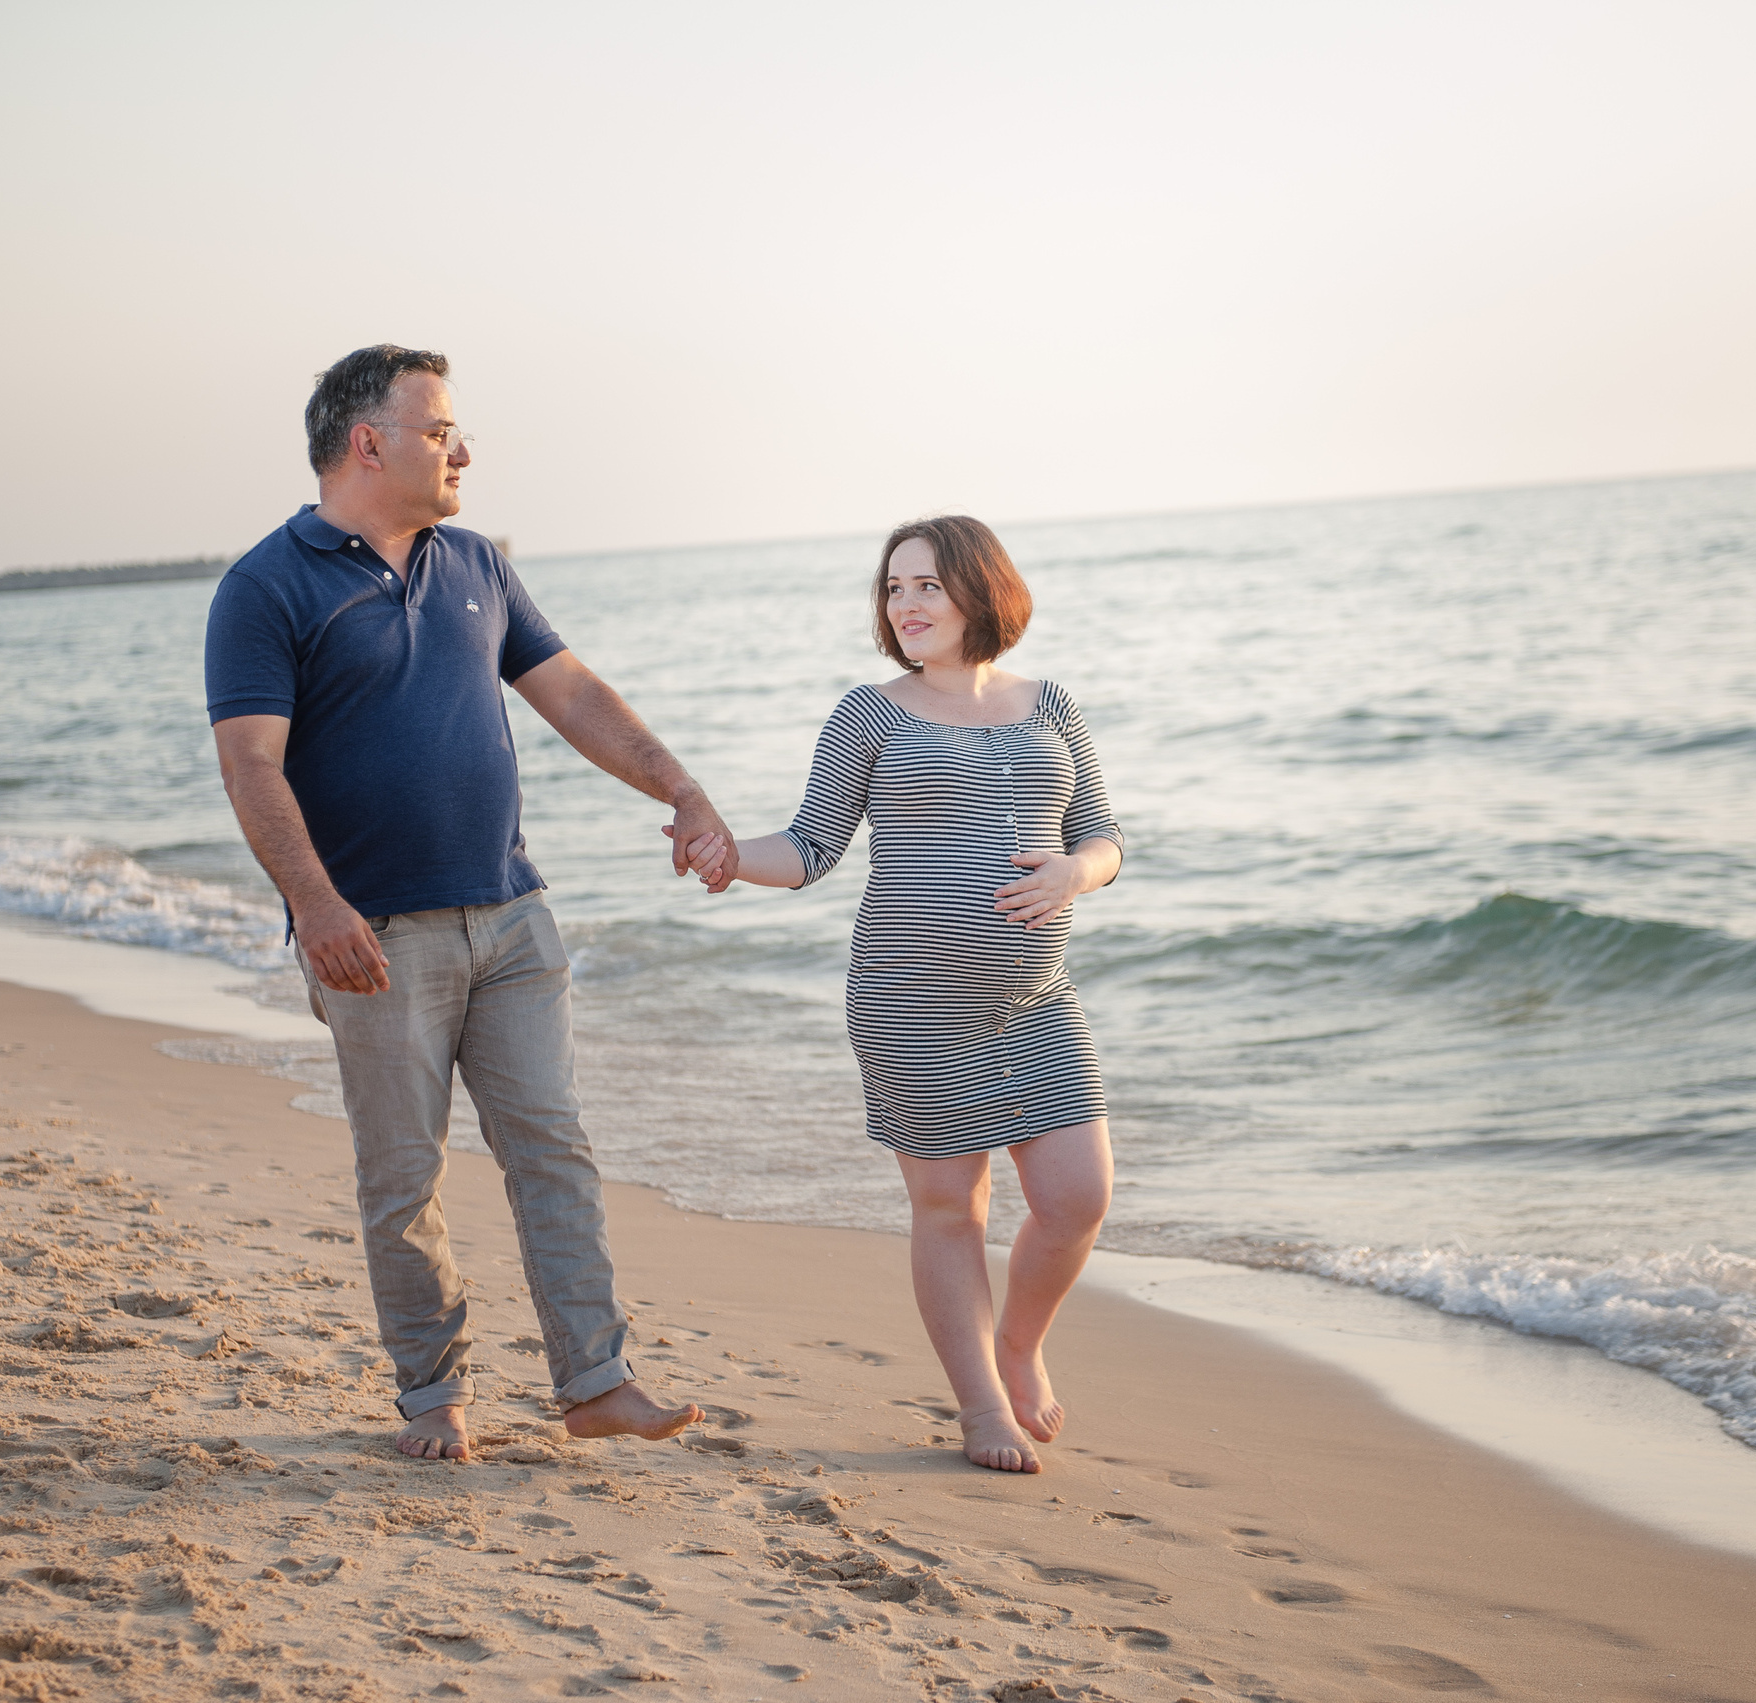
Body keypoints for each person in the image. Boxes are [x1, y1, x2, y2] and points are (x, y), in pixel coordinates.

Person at [205, 344, 731, 1461]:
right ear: (369, 441)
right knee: (404, 1176)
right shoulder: (266, 585)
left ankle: (594, 1379)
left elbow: (572, 691)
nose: (462, 451)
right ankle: (432, 1393)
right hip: (375, 937)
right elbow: (252, 764)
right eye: (440, 430)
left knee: (553, 1144)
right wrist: (317, 905)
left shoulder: (477, 564)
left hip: (510, 914)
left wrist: (681, 788)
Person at [691, 517, 1123, 1473]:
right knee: (950, 1208)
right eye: (895, 590)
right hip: (912, 1004)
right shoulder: (870, 714)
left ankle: (1018, 1344)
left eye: (928, 584)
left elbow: (1103, 834)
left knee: (1078, 1198)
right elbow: (808, 848)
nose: (909, 604)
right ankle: (980, 1406)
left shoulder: (1051, 703)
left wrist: (1073, 875)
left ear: (981, 589)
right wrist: (728, 857)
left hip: (1036, 997)